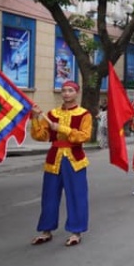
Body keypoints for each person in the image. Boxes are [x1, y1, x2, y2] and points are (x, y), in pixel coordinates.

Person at [29, 81, 92, 247]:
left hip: (75, 159)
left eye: (70, 90)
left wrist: (63, 129)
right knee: (49, 196)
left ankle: (76, 231)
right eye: (64, 90)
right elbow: (41, 136)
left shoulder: (84, 114)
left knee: (76, 195)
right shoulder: (52, 113)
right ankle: (46, 230)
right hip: (54, 158)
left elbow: (85, 136)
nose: (66, 93)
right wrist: (35, 117)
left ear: (76, 93)